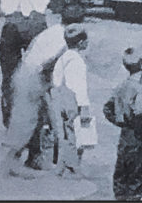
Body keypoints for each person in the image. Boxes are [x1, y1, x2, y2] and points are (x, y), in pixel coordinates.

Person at [0, 6, 86, 177]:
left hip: (25, 73)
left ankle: (35, 159)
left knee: (38, 122)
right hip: (34, 79)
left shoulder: (53, 30)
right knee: (29, 123)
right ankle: (8, 165)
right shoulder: (65, 41)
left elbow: (33, 48)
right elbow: (48, 64)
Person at [0, 0, 51, 128]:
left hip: (12, 26)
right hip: (37, 24)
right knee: (42, 70)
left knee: (9, 73)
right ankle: (45, 114)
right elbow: (45, 0)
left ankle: (11, 119)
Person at [103, 46, 142, 201]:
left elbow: (107, 109)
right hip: (139, 139)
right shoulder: (139, 90)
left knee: (122, 179)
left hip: (125, 137)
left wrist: (121, 122)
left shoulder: (121, 86)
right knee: (138, 182)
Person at [50, 24, 91, 177]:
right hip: (72, 101)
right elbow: (78, 87)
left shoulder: (63, 57)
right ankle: (73, 167)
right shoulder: (77, 62)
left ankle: (62, 165)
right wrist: (84, 107)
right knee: (76, 134)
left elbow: (56, 80)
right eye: (87, 40)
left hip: (60, 98)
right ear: (81, 43)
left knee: (64, 134)